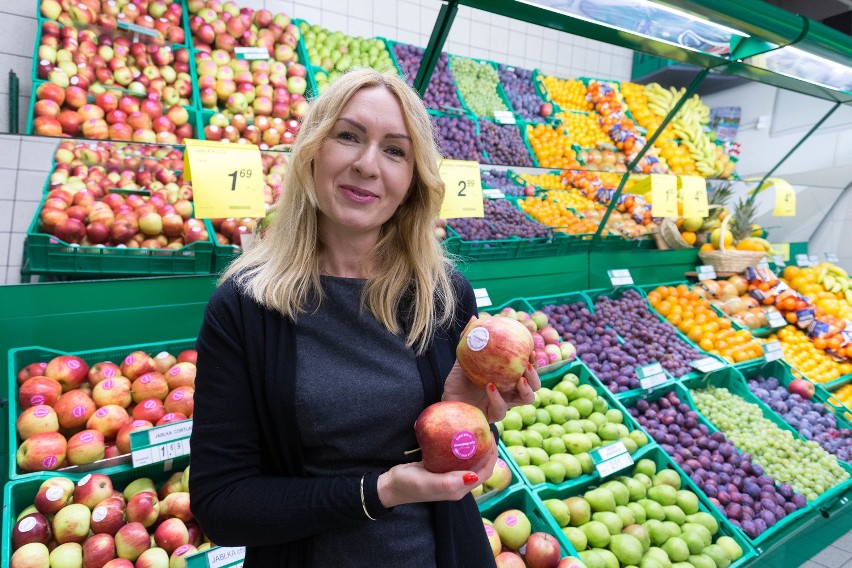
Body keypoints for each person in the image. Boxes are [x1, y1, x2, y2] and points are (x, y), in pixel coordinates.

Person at [189, 68, 540, 567]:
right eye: (348, 136)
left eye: (395, 150)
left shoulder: (442, 296)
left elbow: (461, 458)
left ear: (413, 180)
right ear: (313, 150)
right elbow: (222, 505)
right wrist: (380, 491)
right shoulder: (245, 307)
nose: (367, 164)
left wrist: (471, 417)